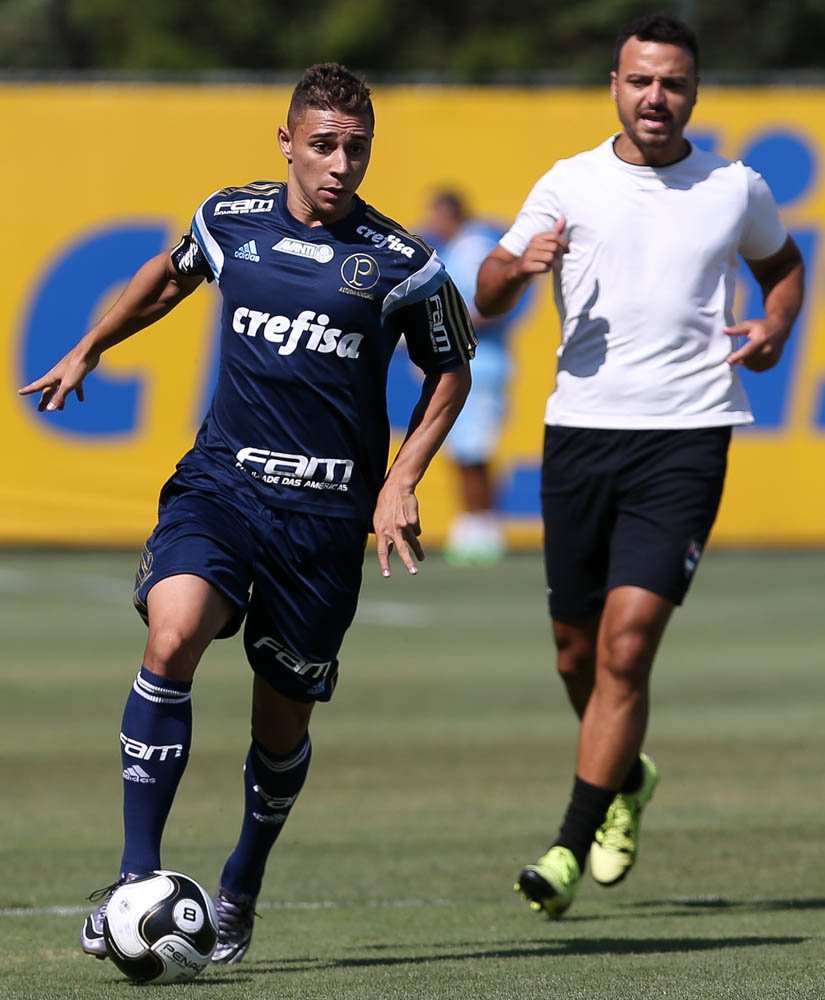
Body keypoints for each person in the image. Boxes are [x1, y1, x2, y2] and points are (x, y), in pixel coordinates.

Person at [19, 63, 475, 963]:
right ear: (285, 142)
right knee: (171, 635)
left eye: (356, 148)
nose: (341, 164)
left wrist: (400, 479)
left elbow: (450, 370)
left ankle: (242, 881)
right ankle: (135, 880)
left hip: (323, 521)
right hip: (222, 486)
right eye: (323, 146)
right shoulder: (229, 219)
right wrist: (89, 346)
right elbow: (166, 277)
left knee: (282, 724)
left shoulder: (402, 264)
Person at [476, 13, 804, 919]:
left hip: (688, 437)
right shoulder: (567, 183)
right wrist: (517, 267)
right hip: (578, 434)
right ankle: (627, 774)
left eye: (671, 83)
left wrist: (774, 328)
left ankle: (567, 847)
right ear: (614, 86)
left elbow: (783, 266)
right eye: (639, 81)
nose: (654, 97)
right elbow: (488, 291)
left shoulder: (735, 185)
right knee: (574, 653)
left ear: (692, 93)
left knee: (626, 646)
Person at [421, 190, 523, 565]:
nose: (432, 224)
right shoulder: (455, 249)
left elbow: (488, 304)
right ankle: (472, 523)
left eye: (436, 215)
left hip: (479, 363)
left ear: (451, 214)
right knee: (462, 447)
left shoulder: (474, 247)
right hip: (461, 364)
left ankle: (484, 527)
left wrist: (451, 329)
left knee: (476, 449)